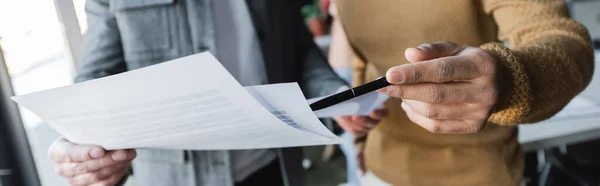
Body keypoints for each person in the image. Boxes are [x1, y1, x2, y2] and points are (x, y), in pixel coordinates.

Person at [46, 0, 384, 186]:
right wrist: (81, 148)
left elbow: (298, 51)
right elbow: (93, 82)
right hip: (176, 179)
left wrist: (337, 97)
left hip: (275, 167)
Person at [332, 0, 595, 185]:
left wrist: (508, 80)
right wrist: (360, 132)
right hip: (379, 169)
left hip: (477, 173)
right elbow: (364, 60)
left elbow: (568, 45)